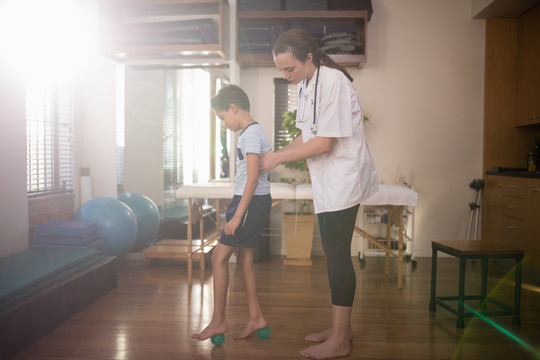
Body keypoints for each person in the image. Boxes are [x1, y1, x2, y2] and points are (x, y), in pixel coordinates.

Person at [259, 29, 379, 359]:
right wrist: (275, 156)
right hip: (326, 181)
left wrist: (277, 159)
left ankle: (340, 340)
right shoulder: (308, 86)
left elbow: (325, 143)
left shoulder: (334, 82)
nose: (286, 76)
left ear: (308, 58)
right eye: (281, 71)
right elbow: (305, 135)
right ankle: (343, 329)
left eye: (289, 70)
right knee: (332, 255)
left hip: (343, 179)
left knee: (338, 256)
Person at [192, 84, 272, 343]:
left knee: (218, 257)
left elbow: (252, 180)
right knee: (245, 261)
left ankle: (218, 322)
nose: (224, 123)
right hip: (254, 202)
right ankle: (255, 317)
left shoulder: (249, 135)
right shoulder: (254, 131)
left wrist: (237, 216)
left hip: (247, 203)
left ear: (233, 108)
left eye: (222, 117)